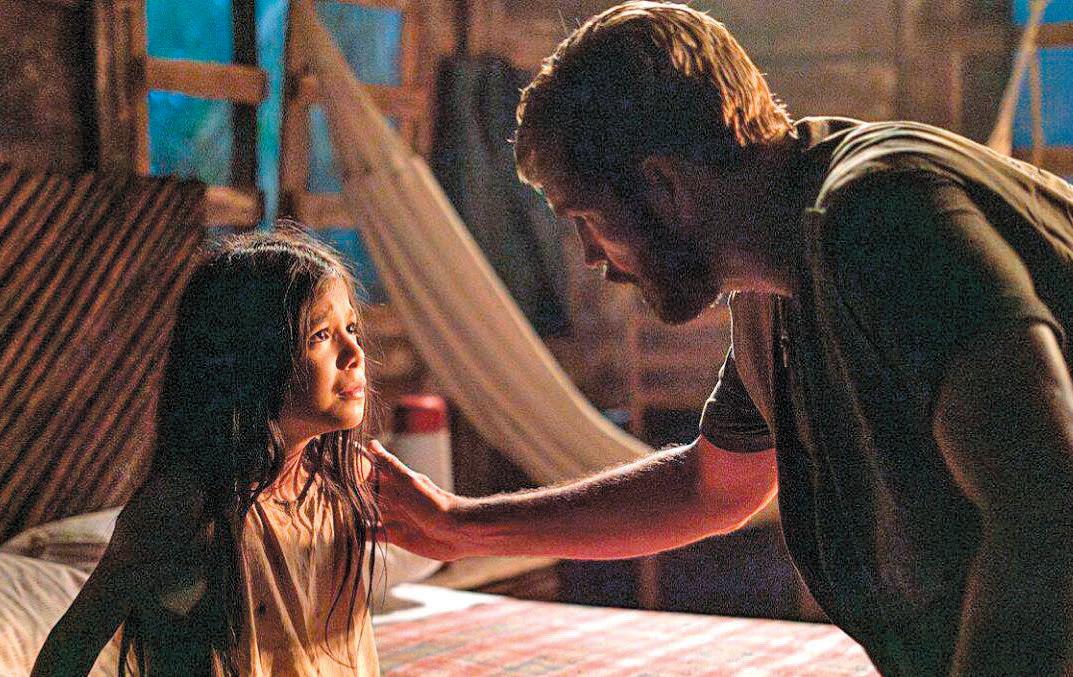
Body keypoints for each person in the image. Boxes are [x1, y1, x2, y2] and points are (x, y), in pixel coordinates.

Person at [370, 2, 1073, 676]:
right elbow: (709, 488)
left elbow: (1045, 504)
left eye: (587, 218)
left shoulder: (882, 213)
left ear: (664, 187)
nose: (588, 256)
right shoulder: (773, 292)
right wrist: (458, 525)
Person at [32, 227, 381, 676]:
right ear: (253, 361)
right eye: (320, 335)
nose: (354, 352)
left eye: (351, 328)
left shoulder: (336, 490)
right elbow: (69, 648)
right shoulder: (186, 508)